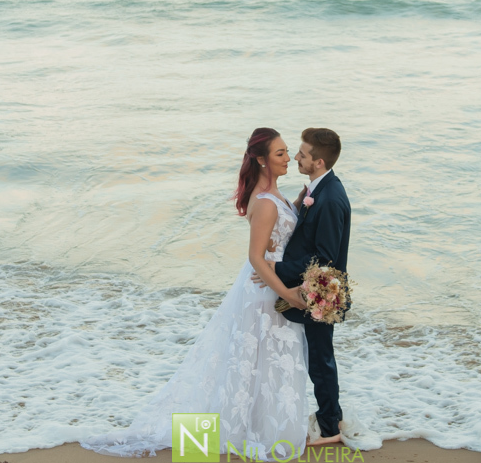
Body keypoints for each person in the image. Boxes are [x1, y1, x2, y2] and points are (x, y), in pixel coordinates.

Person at [82, 128, 310, 461]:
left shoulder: (277, 197)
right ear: (262, 160)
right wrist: (288, 295)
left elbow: (277, 247)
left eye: (288, 152)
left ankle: (257, 429)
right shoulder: (265, 203)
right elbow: (255, 257)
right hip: (265, 294)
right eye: (280, 153)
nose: (288, 158)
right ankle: (237, 435)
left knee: (259, 366)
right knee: (252, 364)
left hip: (269, 286)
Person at [255, 127, 351, 447]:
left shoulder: (331, 199)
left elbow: (324, 258)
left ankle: (329, 427)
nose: (296, 157)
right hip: (313, 288)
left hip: (321, 293)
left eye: (302, 154)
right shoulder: (318, 190)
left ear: (319, 162)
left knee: (320, 361)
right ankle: (329, 417)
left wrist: (276, 268)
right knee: (318, 358)